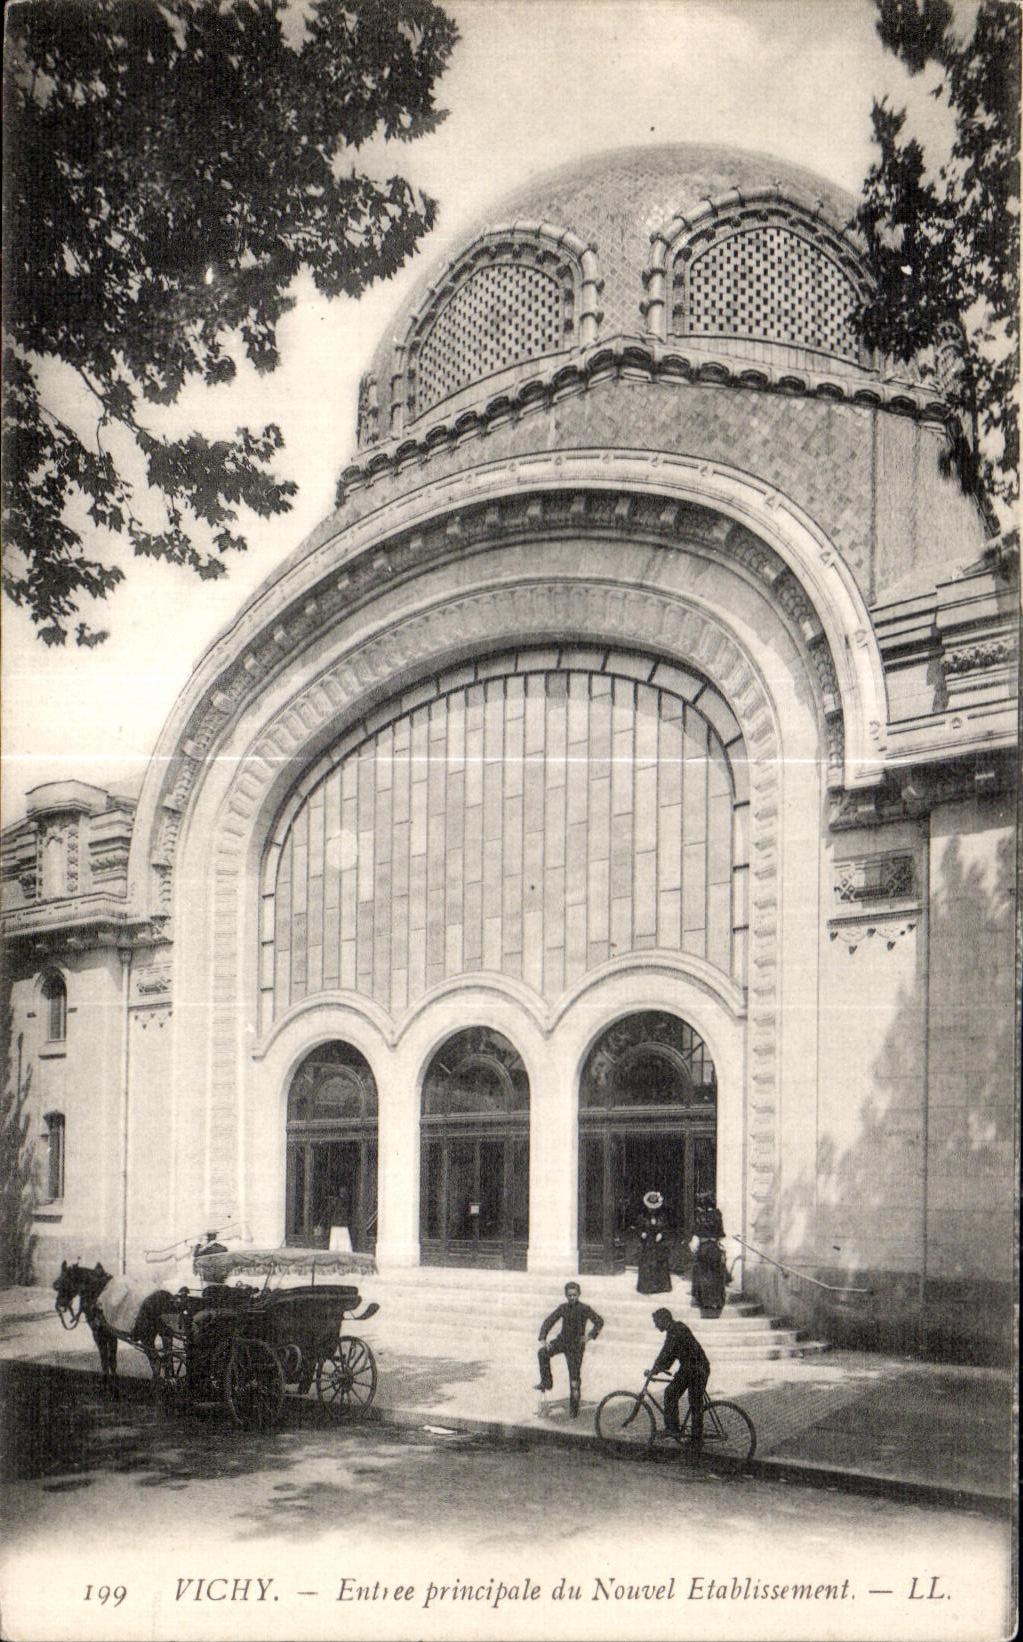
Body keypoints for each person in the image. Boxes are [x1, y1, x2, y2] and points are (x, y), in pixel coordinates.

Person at [535, 1281, 604, 1416]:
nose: (572, 1298)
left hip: (576, 1347)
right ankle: (547, 1382)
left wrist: (589, 1336)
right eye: (569, 1295)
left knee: (574, 1378)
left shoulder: (585, 1308)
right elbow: (549, 1321)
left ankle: (574, 1407)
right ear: (566, 1295)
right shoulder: (563, 1308)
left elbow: (599, 1321)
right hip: (562, 1341)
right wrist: (543, 1338)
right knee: (542, 1352)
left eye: (574, 1295)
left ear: (579, 1294)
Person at [647, 1306, 710, 1454]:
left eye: (657, 1322)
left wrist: (655, 1369)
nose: (656, 1325)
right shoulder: (675, 1328)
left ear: (664, 1320)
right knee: (694, 1402)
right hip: (694, 1368)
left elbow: (667, 1352)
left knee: (672, 1394)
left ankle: (674, 1430)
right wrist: (659, 1368)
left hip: (694, 1369)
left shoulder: (675, 1331)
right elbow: (669, 1353)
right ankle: (692, 1437)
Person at [635, 1189, 672, 1294]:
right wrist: (642, 1233)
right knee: (647, 1264)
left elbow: (667, 1228)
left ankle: (660, 1287)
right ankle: (647, 1287)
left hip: (659, 1244)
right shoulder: (642, 1216)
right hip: (647, 1243)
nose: (652, 1210)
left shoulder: (663, 1216)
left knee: (659, 1263)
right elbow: (638, 1228)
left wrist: (662, 1234)